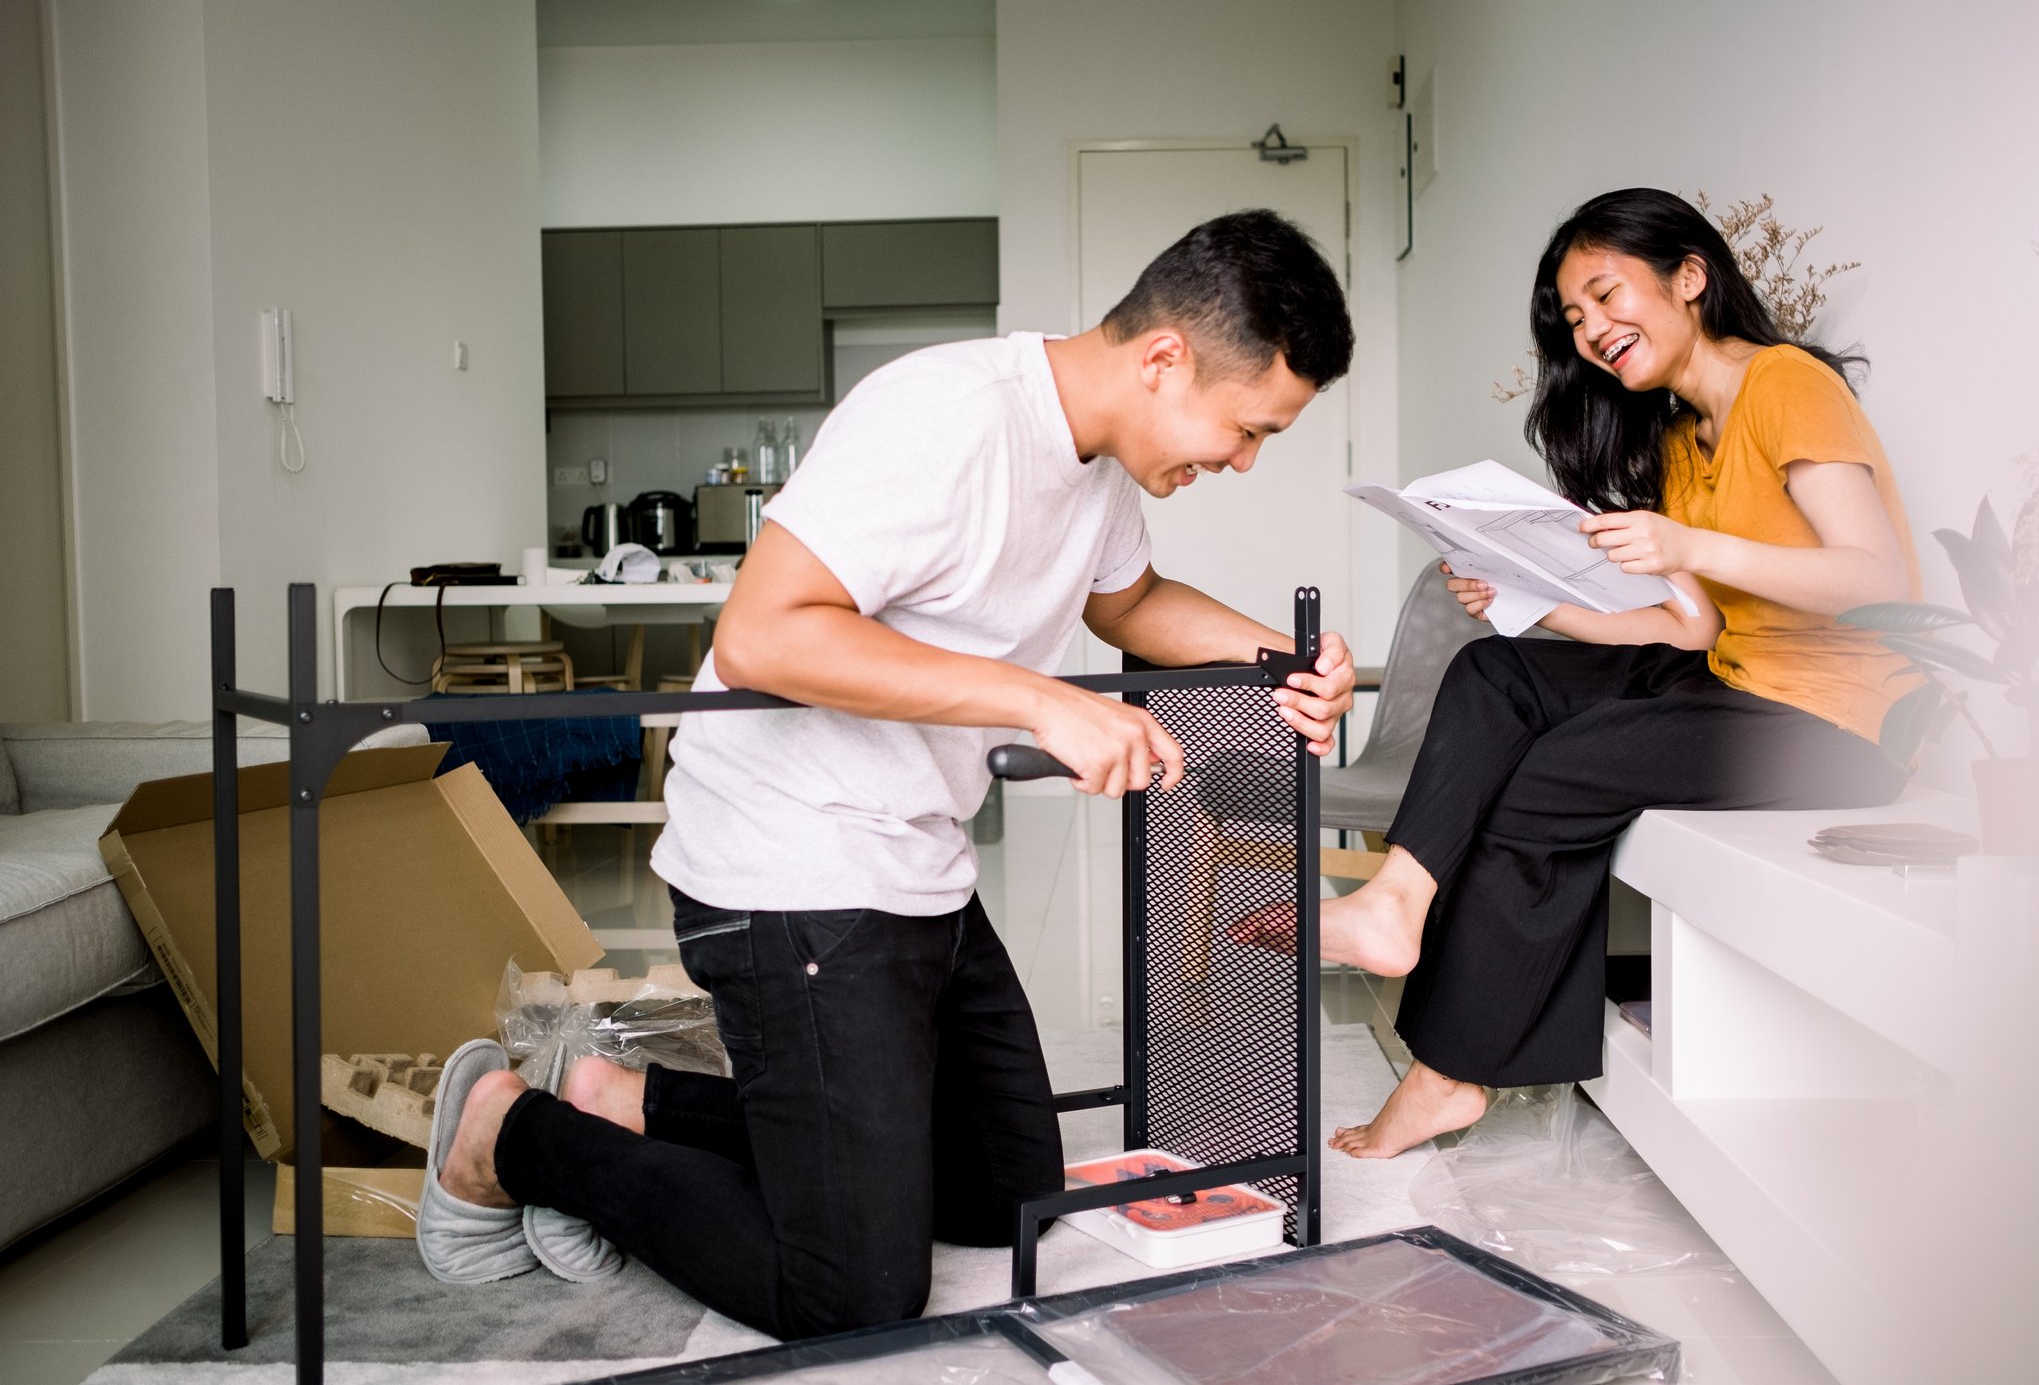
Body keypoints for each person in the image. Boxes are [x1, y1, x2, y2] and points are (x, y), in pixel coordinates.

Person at [416, 210, 1358, 1337]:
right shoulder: (948, 417)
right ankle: (510, 1134)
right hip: (789, 864)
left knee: (1004, 1191)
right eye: (1248, 428)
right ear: (1164, 360)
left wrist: (1281, 656)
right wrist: (1038, 699)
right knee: (853, 1289)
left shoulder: (1099, 468)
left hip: (916, 859)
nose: (1243, 461)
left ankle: (630, 1098)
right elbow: (764, 635)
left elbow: (1132, 606)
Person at [1245, 187, 1919, 1159]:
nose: (1594, 330)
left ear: (1691, 277)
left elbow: (1876, 577)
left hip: (1838, 721)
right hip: (1728, 678)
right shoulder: (1686, 436)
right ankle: (1395, 903)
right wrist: (1531, 605)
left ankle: (1445, 1077)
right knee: (1491, 673)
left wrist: (1687, 540)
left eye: (1607, 296)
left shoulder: (1786, 386)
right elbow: (1689, 632)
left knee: (1551, 776)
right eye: (1576, 318)